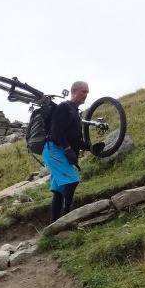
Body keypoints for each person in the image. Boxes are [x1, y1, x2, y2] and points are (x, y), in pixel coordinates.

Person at [42, 80, 91, 223]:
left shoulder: (76, 113)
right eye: (83, 92)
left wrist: (92, 148)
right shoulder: (64, 107)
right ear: (74, 91)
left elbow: (75, 140)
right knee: (72, 181)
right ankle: (67, 219)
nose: (86, 95)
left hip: (60, 151)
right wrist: (68, 150)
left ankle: (53, 226)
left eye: (87, 93)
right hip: (53, 149)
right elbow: (56, 129)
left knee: (59, 192)